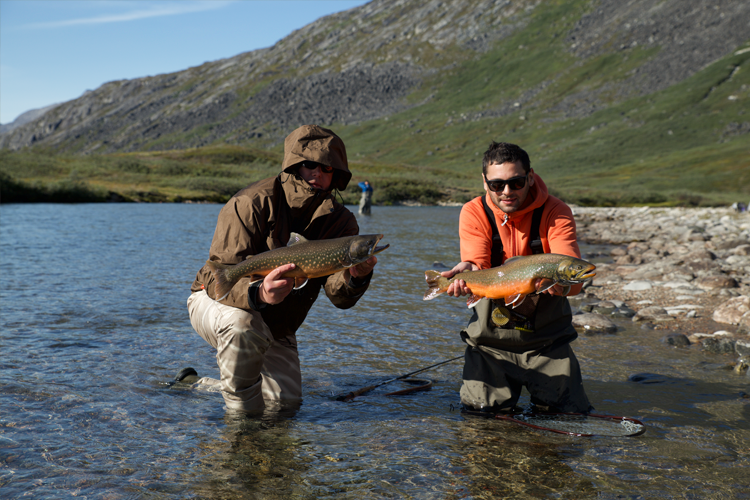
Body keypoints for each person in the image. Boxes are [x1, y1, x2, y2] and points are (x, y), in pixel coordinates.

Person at [183, 125, 378, 412]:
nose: (319, 173)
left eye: (328, 168)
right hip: (217, 301)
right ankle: (240, 431)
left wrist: (356, 277)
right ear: (294, 165)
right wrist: (258, 293)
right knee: (242, 331)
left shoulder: (341, 222)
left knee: (284, 406)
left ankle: (194, 384)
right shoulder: (250, 202)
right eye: (310, 165)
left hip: (277, 323)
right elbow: (217, 276)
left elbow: (339, 297)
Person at [442, 141, 592, 414]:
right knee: (481, 419)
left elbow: (573, 276)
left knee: (567, 416)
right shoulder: (474, 211)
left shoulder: (556, 212)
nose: (507, 192)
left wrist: (558, 286)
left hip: (548, 343)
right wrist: (466, 273)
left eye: (516, 182)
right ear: (485, 182)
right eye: (497, 185)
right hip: (490, 344)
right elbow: (477, 263)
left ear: (531, 177)